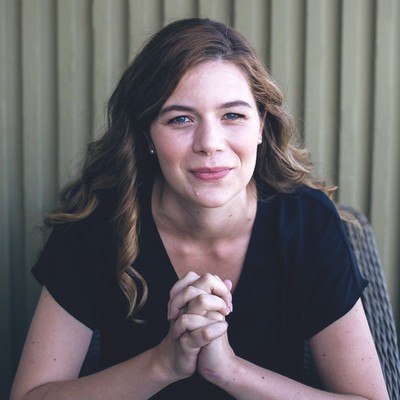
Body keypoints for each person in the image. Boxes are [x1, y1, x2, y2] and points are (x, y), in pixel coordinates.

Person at [10, 17, 389, 400]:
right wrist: (163, 364)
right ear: (147, 136)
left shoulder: (308, 223)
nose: (209, 143)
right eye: (181, 119)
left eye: (232, 115)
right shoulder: (97, 225)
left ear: (261, 125)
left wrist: (229, 371)